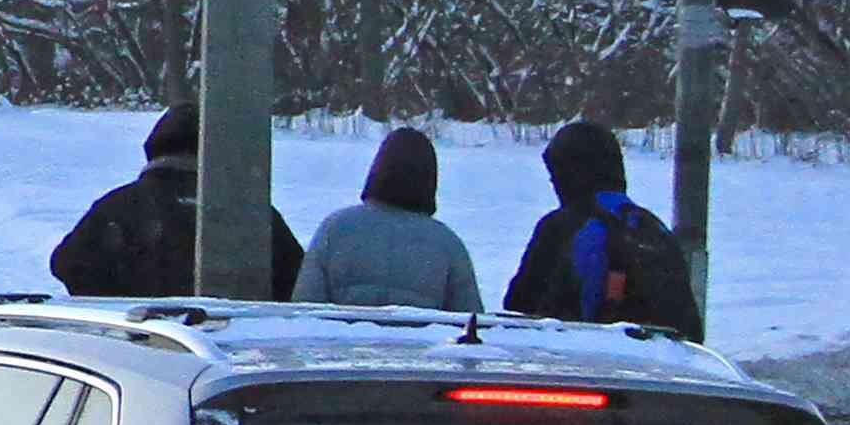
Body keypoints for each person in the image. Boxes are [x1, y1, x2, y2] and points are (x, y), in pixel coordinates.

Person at [47, 104, 304, 300]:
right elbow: (296, 280)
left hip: (138, 341)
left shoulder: (119, 205)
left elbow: (67, 263)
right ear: (219, 153)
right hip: (231, 344)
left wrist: (121, 306)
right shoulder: (252, 211)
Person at [506, 117, 704, 338]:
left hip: (582, 354)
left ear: (568, 173)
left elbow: (519, 309)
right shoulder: (654, 228)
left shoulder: (561, 227)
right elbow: (690, 328)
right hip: (659, 358)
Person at [300, 126, 481, 311]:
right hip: (421, 331)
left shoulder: (335, 229)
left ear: (377, 171)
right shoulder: (448, 244)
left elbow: (304, 308)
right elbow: (470, 318)